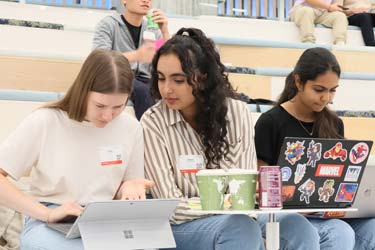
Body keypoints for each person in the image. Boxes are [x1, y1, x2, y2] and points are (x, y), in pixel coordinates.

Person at [140, 27, 322, 250]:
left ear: (203, 79)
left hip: (236, 219)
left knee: (297, 227)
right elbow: (171, 207)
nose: (167, 89)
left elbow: (243, 193)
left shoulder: (237, 113)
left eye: (178, 80)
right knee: (240, 228)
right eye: (160, 78)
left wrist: (235, 209)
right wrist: (230, 208)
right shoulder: (152, 121)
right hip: (180, 227)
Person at [0, 49, 154, 250]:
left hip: (104, 219)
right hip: (49, 219)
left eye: (118, 107)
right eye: (100, 105)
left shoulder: (131, 127)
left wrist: (130, 187)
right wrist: (46, 214)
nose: (108, 116)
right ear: (83, 91)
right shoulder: (46, 121)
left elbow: (127, 187)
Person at [255, 47, 375, 249]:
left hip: (326, 214)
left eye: (333, 90)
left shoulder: (334, 123)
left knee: (372, 229)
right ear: (299, 81)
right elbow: (260, 187)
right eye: (319, 90)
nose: (326, 98)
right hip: (280, 215)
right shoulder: (270, 122)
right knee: (339, 232)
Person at [93, 0, 170, 120]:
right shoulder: (108, 25)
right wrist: (136, 55)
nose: (146, 1)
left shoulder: (153, 30)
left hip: (146, 79)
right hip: (117, 77)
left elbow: (167, 60)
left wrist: (164, 31)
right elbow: (99, 60)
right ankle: (148, 133)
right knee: (144, 91)